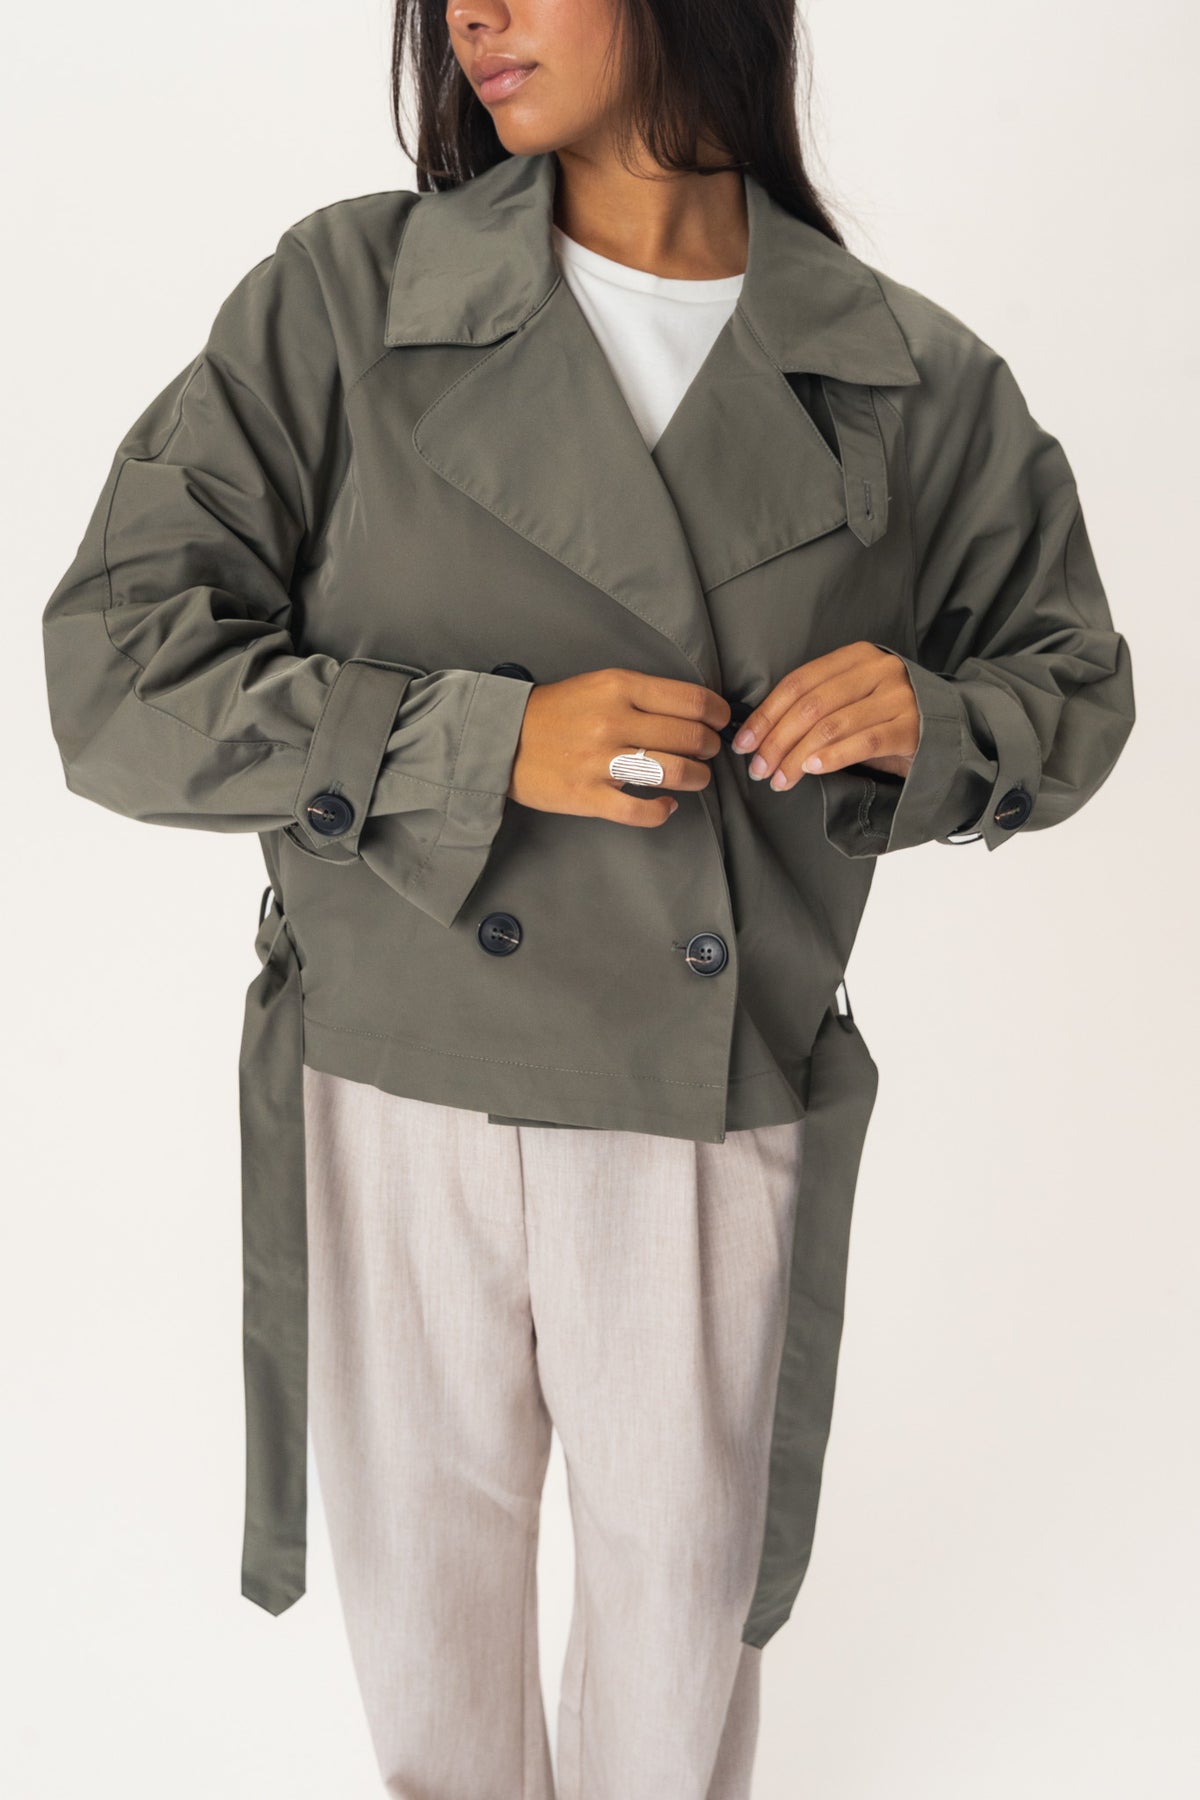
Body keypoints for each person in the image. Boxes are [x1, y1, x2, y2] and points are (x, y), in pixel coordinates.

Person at [40, 1, 1136, 1795]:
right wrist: (473, 745)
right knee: (432, 1690)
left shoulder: (908, 374)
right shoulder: (345, 299)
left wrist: (930, 721)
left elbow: (1072, 686)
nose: (472, 12)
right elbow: (113, 671)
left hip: (706, 1104)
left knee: (674, 1677)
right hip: (395, 1077)